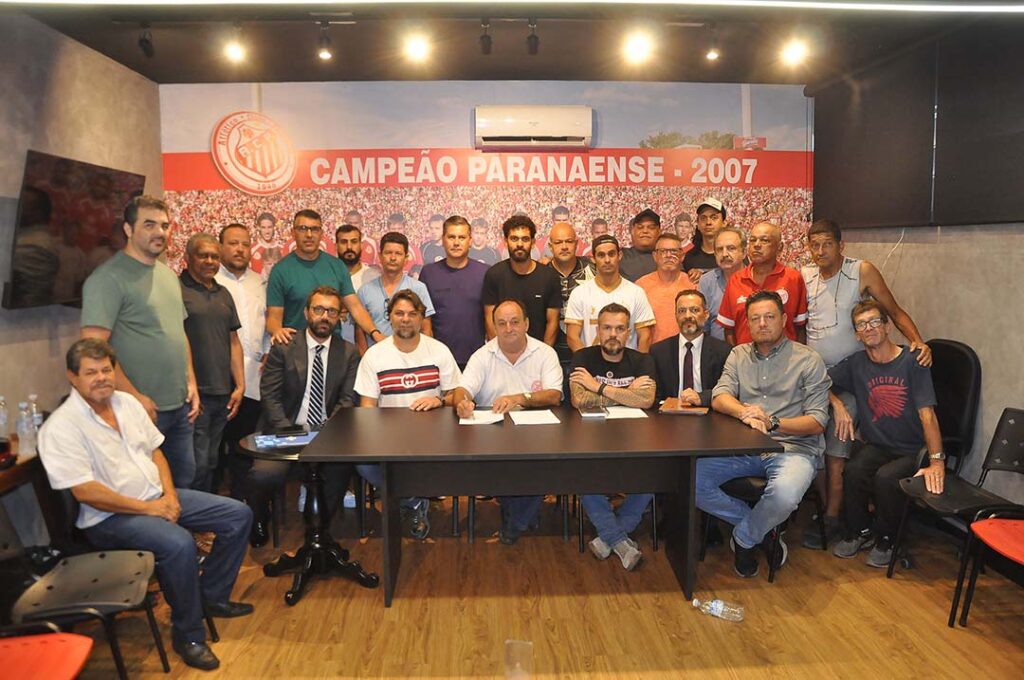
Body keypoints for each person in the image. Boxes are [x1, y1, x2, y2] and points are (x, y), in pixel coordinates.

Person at [38, 339, 253, 671]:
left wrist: (170, 496)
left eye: (106, 370)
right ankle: (189, 636)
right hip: (109, 518)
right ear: (72, 376)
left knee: (237, 514)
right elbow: (86, 492)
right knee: (178, 543)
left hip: (156, 496)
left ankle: (210, 597)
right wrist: (151, 509)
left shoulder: (126, 403)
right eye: (91, 372)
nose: (101, 378)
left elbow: (155, 451)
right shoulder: (61, 427)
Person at [801, 218, 933, 548]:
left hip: (852, 378)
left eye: (827, 244)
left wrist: (918, 342)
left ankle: (833, 518)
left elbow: (894, 311)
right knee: (812, 445)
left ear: (841, 245)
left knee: (838, 443)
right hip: (816, 379)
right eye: (814, 245)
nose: (821, 250)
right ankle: (830, 510)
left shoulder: (862, 271)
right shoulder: (804, 276)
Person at [697, 290, 831, 578]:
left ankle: (744, 539)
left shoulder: (808, 359)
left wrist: (772, 422)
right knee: (690, 478)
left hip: (794, 449)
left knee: (784, 495)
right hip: (745, 446)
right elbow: (720, 396)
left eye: (769, 317)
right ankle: (763, 531)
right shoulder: (738, 354)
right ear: (747, 323)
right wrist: (744, 413)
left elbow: (818, 421)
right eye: (755, 318)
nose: (762, 323)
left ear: (783, 319)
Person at [81, 195, 201, 488]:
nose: (160, 232)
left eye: (165, 225)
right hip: (137, 410)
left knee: (183, 485)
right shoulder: (107, 279)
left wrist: (191, 382)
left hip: (180, 407)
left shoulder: (167, 275)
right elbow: (93, 351)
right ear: (128, 229)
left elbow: (178, 332)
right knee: (147, 491)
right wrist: (134, 396)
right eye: (149, 225)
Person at [828, 301, 944, 567]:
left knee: (886, 478)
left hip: (913, 449)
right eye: (861, 325)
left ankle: (889, 541)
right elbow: (819, 381)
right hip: (879, 445)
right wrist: (837, 405)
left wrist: (937, 461)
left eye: (874, 321)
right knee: (854, 470)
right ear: (856, 334)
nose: (868, 328)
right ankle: (861, 531)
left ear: (887, 325)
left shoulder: (913, 361)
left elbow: (928, 414)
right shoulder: (856, 363)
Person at [246, 286, 359, 548]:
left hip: (327, 433)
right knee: (262, 474)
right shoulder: (284, 346)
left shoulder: (349, 352)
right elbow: (270, 396)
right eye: (319, 309)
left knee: (341, 467)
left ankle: (319, 527)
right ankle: (259, 517)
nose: (325, 316)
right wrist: (289, 432)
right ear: (307, 312)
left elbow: (346, 400)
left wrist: (327, 433)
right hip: (283, 431)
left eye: (332, 311)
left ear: (339, 317)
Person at [354, 290, 462, 539]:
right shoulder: (374, 355)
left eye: (412, 314)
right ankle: (413, 501)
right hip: (389, 438)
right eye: (399, 313)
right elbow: (367, 406)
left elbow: (457, 396)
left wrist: (438, 400)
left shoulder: (438, 350)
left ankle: (403, 497)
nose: (405, 319)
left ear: (422, 318)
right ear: (389, 317)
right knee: (364, 464)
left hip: (433, 436)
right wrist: (374, 439)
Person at [453, 299, 562, 544]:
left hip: (537, 434)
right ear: (494, 326)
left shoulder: (545, 353)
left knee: (543, 464)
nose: (508, 328)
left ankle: (515, 522)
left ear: (526, 324)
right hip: (493, 436)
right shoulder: (482, 355)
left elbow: (554, 395)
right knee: (500, 466)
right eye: (501, 323)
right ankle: (523, 516)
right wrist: (462, 403)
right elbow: (462, 389)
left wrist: (518, 398)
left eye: (514, 322)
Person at [569, 303, 657, 571]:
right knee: (580, 471)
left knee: (654, 471)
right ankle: (620, 540)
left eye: (619, 329)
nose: (613, 334)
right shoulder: (583, 357)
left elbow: (647, 399)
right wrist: (628, 392)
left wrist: (597, 386)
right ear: (597, 330)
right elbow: (578, 399)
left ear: (629, 332)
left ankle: (608, 538)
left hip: (635, 439)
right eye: (606, 328)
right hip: (591, 438)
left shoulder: (642, 360)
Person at [179, 233, 244, 493]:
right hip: (193, 396)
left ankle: (207, 511)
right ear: (188, 258)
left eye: (215, 257)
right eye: (203, 255)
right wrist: (190, 385)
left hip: (222, 393)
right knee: (195, 464)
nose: (209, 261)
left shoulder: (223, 293)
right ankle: (193, 515)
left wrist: (240, 385)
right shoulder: (177, 290)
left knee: (212, 461)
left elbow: (233, 341)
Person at [266, 208, 383, 347]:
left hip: (333, 348)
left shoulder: (337, 266)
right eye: (303, 228)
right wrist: (277, 331)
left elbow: (355, 307)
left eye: (314, 229)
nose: (309, 234)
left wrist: (375, 333)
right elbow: (273, 318)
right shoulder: (280, 271)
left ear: (321, 234)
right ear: (293, 233)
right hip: (295, 349)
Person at [215, 223, 267, 500]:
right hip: (218, 376)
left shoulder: (260, 282)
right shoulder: (211, 282)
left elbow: (268, 324)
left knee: (244, 445)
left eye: (245, 244)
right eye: (233, 243)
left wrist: (268, 350)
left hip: (253, 377)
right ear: (220, 246)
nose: (240, 249)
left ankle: (242, 502)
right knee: (214, 448)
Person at [716, 221, 808, 345]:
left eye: (764, 240)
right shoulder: (736, 280)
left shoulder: (793, 278)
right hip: (746, 355)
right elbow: (729, 329)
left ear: (779, 247)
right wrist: (736, 354)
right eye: (753, 240)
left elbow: (800, 327)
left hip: (786, 355)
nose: (757, 245)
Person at [418, 215, 489, 369]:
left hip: (477, 361)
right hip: (439, 360)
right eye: (451, 237)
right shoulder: (428, 273)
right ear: (443, 240)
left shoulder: (485, 273)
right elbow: (424, 320)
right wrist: (429, 357)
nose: (456, 243)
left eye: (462, 237)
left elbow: (490, 318)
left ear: (470, 241)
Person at [565, 235, 655, 353]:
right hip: (590, 364)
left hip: (628, 364)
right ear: (593, 258)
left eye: (611, 254)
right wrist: (586, 361)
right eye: (601, 255)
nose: (607, 260)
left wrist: (638, 363)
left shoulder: (636, 293)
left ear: (620, 255)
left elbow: (645, 337)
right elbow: (572, 337)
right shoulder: (579, 293)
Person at [482, 215, 561, 346]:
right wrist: (501, 353)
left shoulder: (549, 277)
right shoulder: (494, 275)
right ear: (506, 241)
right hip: (503, 353)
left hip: (538, 354)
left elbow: (553, 322)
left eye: (525, 239)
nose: (519, 244)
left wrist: (544, 354)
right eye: (514, 239)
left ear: (533, 242)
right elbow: (490, 320)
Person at [354, 231, 434, 352]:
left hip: (410, 356)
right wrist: (365, 357)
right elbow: (359, 332)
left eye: (398, 253)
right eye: (388, 253)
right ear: (380, 256)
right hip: (376, 357)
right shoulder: (365, 291)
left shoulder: (419, 288)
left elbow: (426, 329)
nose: (392, 258)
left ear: (406, 258)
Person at [650, 290, 731, 407]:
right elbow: (655, 395)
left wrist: (702, 398)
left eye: (694, 310)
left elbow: (728, 390)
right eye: (682, 311)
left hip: (709, 412)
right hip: (669, 413)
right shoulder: (658, 352)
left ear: (706, 314)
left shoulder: (723, 351)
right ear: (676, 316)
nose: (687, 316)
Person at [546, 221, 595, 367]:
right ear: (550, 246)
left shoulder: (594, 270)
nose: (564, 247)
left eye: (569, 241)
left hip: (589, 348)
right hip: (551, 353)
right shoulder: (541, 273)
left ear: (576, 243)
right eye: (558, 242)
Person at [636, 232, 696, 344]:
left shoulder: (694, 284)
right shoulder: (640, 286)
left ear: (682, 256)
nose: (668, 255)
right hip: (652, 351)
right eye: (663, 251)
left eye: (674, 251)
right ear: (655, 256)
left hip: (687, 351)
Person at [335, 222, 381, 344]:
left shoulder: (374, 277)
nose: (349, 247)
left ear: (361, 245)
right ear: (336, 245)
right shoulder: (327, 275)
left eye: (354, 242)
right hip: (334, 343)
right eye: (344, 242)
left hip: (367, 345)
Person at [698, 226, 746, 341]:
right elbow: (703, 326)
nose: (724, 254)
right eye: (720, 249)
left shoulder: (755, 278)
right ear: (715, 254)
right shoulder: (707, 281)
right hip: (716, 349)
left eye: (731, 248)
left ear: (744, 253)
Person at [682, 197, 726, 283]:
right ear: (698, 224)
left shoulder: (733, 253)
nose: (708, 222)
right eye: (703, 218)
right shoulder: (689, 256)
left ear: (724, 223)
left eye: (714, 217)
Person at [619, 209, 662, 282]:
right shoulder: (619, 256)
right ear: (632, 231)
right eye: (640, 227)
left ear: (659, 232)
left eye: (651, 227)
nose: (645, 231)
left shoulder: (667, 256)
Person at [250, 211, 282, 278]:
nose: (267, 231)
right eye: (263, 227)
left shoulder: (282, 249)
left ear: (274, 227)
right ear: (258, 228)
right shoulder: (251, 249)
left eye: (269, 227)